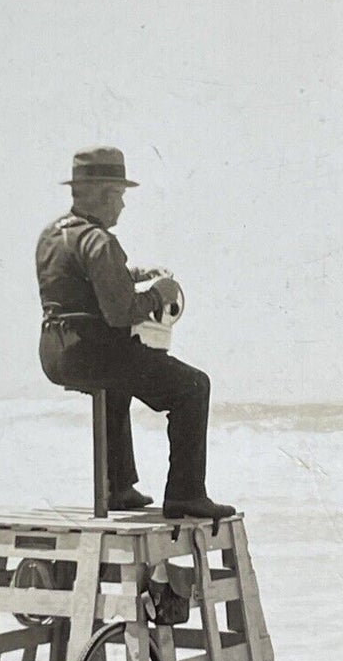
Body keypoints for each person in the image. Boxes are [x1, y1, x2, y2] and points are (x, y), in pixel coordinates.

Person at [36, 146, 235, 521]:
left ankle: (118, 487)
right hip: (95, 352)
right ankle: (186, 495)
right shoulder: (100, 241)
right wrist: (158, 293)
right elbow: (120, 312)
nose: (123, 206)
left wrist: (136, 275)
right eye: (121, 196)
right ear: (106, 194)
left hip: (56, 352)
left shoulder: (52, 235)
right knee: (193, 387)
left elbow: (80, 282)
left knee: (115, 385)